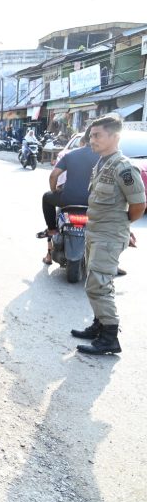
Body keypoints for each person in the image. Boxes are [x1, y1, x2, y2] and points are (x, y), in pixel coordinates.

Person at [71, 115, 145, 355]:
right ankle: (99, 324)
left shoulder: (124, 167)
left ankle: (110, 338)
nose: (92, 140)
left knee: (98, 286)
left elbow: (138, 206)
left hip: (108, 235)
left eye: (97, 135)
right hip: (95, 232)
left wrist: (120, 225)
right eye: (91, 135)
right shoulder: (102, 163)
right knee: (97, 280)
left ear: (115, 136)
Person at [38, 128, 97, 264]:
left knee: (47, 199)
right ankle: (114, 265)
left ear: (82, 141)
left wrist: (54, 191)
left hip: (68, 200)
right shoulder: (104, 157)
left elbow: (53, 175)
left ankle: (52, 230)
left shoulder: (70, 155)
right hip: (93, 202)